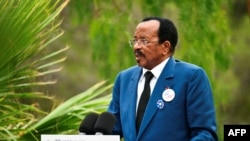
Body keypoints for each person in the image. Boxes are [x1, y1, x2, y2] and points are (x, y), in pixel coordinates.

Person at [107, 16, 218, 141]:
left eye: (144, 41)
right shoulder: (124, 79)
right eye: (135, 40)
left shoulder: (191, 77)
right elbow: (112, 130)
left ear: (165, 47)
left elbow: (205, 134)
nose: (136, 47)